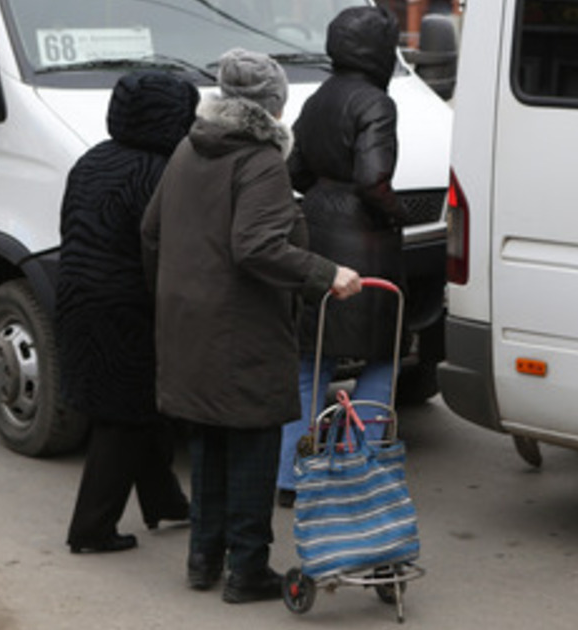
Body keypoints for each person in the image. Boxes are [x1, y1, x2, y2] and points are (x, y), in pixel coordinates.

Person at [140, 49, 362, 603]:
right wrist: (325, 272)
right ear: (273, 104)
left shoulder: (187, 149)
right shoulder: (260, 161)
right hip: (243, 326)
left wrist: (175, 293)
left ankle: (202, 558)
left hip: (188, 321)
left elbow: (151, 231)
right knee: (254, 444)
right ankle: (246, 570)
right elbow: (257, 246)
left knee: (210, 437)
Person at [59, 71, 199, 555]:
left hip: (78, 298)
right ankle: (91, 529)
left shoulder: (92, 159)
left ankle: (166, 501)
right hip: (129, 308)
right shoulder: (162, 172)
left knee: (138, 411)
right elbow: (166, 249)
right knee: (124, 417)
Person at [276, 5, 406, 508]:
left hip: (318, 235)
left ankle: (290, 475)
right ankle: (355, 469)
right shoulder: (375, 101)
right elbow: (374, 179)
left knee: (311, 360)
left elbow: (296, 173)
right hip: (366, 244)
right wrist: (396, 215)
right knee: (381, 356)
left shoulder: (318, 98)